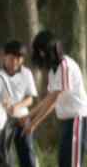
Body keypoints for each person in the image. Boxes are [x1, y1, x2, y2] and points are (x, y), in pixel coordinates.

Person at [22, 30, 87, 167]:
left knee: (72, 164)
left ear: (43, 52)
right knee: (64, 162)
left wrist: (33, 124)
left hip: (77, 121)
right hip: (66, 122)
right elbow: (48, 98)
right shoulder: (54, 70)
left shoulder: (65, 66)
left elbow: (53, 100)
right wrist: (30, 114)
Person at [1, 40, 38, 167]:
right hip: (2, 121)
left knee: (27, 154)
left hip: (22, 119)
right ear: (4, 57)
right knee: (4, 155)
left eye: (19, 58)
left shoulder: (26, 73)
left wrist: (17, 106)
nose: (15, 62)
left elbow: (30, 98)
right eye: (11, 58)